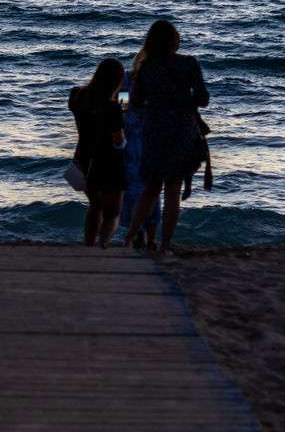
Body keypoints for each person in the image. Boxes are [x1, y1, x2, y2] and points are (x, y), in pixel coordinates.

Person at [122, 20, 209, 256]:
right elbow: (202, 99)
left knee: (150, 189)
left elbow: (138, 102)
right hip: (182, 132)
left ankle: (129, 239)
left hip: (155, 132)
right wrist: (181, 102)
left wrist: (158, 102)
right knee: (173, 192)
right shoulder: (189, 64)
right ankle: (165, 246)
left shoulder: (146, 68)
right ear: (175, 41)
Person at [68, 57, 127, 249]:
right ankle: (102, 246)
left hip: (83, 158)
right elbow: (118, 140)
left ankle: (89, 244)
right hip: (109, 162)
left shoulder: (76, 96)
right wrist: (122, 111)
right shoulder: (113, 108)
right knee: (112, 212)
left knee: (95, 205)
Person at [120, 50, 160, 250]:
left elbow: (122, 109)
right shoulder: (158, 81)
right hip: (152, 135)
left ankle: (139, 235)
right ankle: (151, 237)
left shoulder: (127, 79)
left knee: (135, 188)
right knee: (152, 188)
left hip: (131, 137)